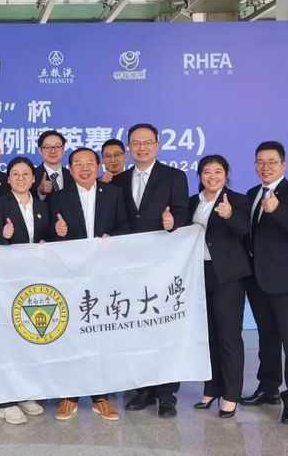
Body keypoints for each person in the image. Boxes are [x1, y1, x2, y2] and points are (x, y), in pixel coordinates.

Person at [111, 123, 189, 418]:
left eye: (147, 142)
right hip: (130, 267)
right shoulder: (119, 180)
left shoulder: (174, 177)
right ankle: (144, 387)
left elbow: (182, 212)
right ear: (129, 147)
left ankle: (167, 394)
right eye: (136, 143)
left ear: (157, 145)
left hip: (164, 265)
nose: (141, 148)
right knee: (138, 327)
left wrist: (173, 222)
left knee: (165, 327)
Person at [47, 147, 129, 422]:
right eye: (78, 164)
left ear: (98, 166)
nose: (84, 169)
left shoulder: (114, 194)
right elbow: (47, 237)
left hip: (105, 275)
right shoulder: (59, 198)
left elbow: (126, 226)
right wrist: (58, 233)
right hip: (71, 276)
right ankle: (69, 394)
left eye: (89, 163)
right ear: (70, 170)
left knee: (101, 335)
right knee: (71, 335)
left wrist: (112, 237)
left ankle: (100, 396)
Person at [240, 141, 288, 425]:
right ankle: (268, 388)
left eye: (271, 162)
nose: (265, 167)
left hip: (286, 283)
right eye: (260, 162)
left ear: (283, 164)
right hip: (257, 281)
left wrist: (278, 209)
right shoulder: (251, 194)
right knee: (267, 338)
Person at [188, 155, 251, 419]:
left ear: (226, 175)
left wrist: (230, 215)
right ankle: (212, 389)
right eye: (206, 172)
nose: (212, 177)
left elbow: (245, 229)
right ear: (199, 175)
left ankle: (231, 395)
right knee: (208, 336)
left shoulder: (237, 200)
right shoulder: (192, 202)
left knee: (229, 337)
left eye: (218, 172)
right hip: (199, 274)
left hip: (227, 277)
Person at [0, 156, 47, 424]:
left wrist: (55, 235)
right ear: (8, 179)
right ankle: (4, 400)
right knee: (5, 338)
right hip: (5, 282)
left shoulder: (43, 205)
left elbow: (48, 239)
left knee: (27, 336)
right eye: (15, 174)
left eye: (26, 174)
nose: (21, 178)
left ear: (34, 179)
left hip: (34, 281)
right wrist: (4, 236)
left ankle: (24, 392)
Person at [33, 130, 74, 198]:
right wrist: (40, 192)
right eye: (47, 147)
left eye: (57, 147)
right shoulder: (32, 176)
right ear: (40, 151)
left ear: (63, 149)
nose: (53, 151)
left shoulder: (73, 175)